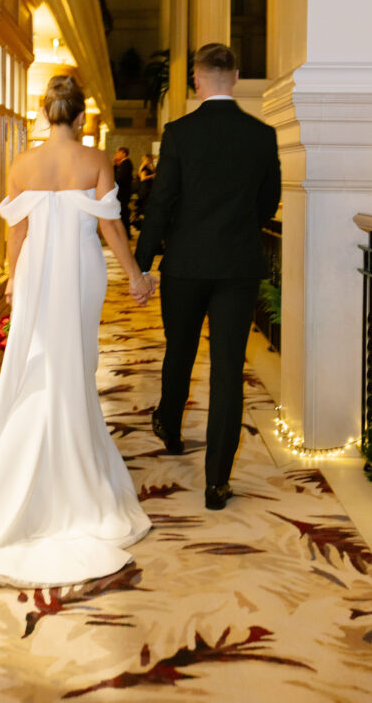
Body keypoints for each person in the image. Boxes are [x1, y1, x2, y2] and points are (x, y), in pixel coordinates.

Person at [0, 75, 155, 588]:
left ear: (44, 114)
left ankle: (29, 465)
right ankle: (72, 464)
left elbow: (16, 233)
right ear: (80, 116)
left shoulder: (22, 164)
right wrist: (134, 274)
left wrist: (14, 282)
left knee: (37, 359)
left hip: (37, 271)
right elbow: (110, 226)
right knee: (75, 362)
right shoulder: (96, 160)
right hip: (82, 271)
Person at [135, 43, 281, 511]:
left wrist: (142, 260)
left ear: (197, 80)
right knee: (226, 371)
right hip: (236, 266)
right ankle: (217, 481)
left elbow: (161, 202)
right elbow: (268, 202)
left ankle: (171, 429)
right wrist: (238, 230)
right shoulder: (261, 135)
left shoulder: (179, 133)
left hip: (184, 263)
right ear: (235, 77)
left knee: (179, 351)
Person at [112, 146, 133, 238]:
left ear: (124, 153)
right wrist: (116, 165)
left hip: (123, 192)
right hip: (122, 191)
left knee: (123, 212)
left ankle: (125, 233)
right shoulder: (122, 164)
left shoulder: (126, 163)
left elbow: (121, 178)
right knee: (122, 211)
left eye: (118, 152)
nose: (116, 154)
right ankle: (124, 232)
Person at [136, 153, 156, 219]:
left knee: (145, 203)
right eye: (151, 159)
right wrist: (152, 176)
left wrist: (152, 164)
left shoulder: (146, 166)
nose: (152, 160)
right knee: (144, 204)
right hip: (145, 187)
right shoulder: (144, 167)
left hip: (146, 187)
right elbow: (143, 178)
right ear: (148, 159)